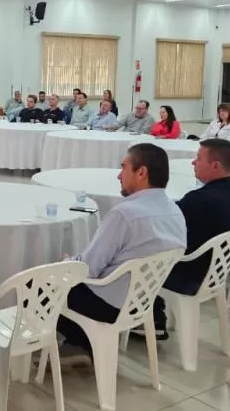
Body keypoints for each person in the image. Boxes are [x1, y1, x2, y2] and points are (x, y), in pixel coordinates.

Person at [57, 144, 186, 355]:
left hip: (107, 304)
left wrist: (65, 263)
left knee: (36, 286)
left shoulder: (125, 215)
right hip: (143, 299)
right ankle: (86, 340)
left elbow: (87, 269)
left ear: (142, 172)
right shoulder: (175, 211)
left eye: (124, 167)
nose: (119, 176)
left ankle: (68, 343)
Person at [150, 139, 230, 337]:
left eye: (198, 158)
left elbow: (163, 225)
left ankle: (152, 318)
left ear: (215, 165)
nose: (193, 163)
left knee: (135, 257)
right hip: (217, 272)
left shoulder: (201, 199)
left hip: (191, 273)